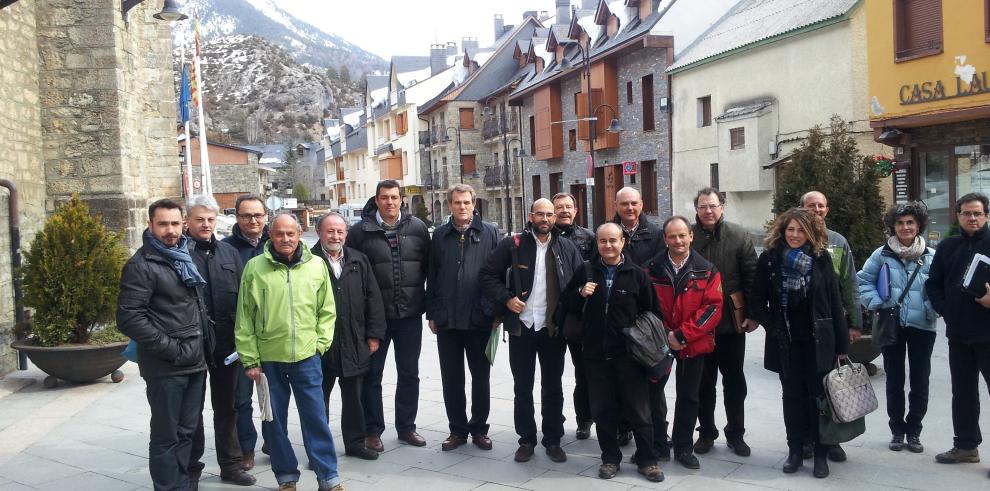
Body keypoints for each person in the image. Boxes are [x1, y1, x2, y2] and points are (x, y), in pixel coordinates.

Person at [235, 213, 343, 491]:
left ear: (300, 233)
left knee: (316, 419)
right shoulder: (254, 268)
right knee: (274, 423)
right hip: (268, 361)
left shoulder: (316, 266)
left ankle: (328, 478)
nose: (285, 239)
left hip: (307, 357)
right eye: (280, 234)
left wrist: (320, 344)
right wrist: (250, 359)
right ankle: (286, 478)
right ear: (271, 235)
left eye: (291, 234)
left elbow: (327, 311)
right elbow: (244, 318)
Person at [479, 198, 584, 464]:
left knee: (553, 387)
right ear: (530, 216)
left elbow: (577, 284)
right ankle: (526, 439)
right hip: (521, 328)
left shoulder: (567, 247)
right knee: (522, 387)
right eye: (541, 214)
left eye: (550, 214)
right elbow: (487, 275)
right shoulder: (512, 245)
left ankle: (553, 440)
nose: (546, 219)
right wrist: (506, 298)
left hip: (552, 329)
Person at [118, 199, 210, 491]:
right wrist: (173, 349)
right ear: (151, 225)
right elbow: (129, 318)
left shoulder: (184, 255)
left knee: (186, 433)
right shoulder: (141, 264)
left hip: (195, 361)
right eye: (163, 224)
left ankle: (183, 485)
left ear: (183, 223)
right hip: (166, 365)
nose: (170, 231)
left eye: (174, 223)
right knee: (166, 436)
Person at [750, 207, 849, 479]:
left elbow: (835, 302)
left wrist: (842, 346)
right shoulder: (770, 259)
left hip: (819, 341)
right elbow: (757, 301)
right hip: (787, 342)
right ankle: (794, 450)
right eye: (790, 229)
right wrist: (773, 328)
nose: (794, 235)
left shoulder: (821, 259)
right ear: (782, 231)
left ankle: (820, 453)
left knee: (818, 399)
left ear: (811, 232)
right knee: (791, 398)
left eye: (800, 230)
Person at [562, 222, 663, 482]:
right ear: (597, 244)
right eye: (603, 241)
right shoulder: (585, 270)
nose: (608, 245)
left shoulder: (637, 274)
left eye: (613, 240)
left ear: (623, 242)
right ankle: (610, 458)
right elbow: (566, 304)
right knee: (603, 409)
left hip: (629, 355)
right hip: (595, 355)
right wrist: (579, 293)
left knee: (640, 410)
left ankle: (647, 459)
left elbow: (651, 312)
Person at [345, 180, 431, 452]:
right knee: (372, 375)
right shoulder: (360, 232)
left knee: (409, 374)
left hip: (409, 315)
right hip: (375, 318)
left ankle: (406, 427)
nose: (390, 202)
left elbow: (429, 269)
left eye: (394, 197)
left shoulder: (417, 228)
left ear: (401, 200)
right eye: (384, 197)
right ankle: (373, 430)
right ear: (377, 200)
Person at [184, 196, 256, 487]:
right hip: (192, 347)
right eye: (199, 219)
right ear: (188, 221)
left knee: (228, 408)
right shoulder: (180, 254)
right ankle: (191, 470)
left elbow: (243, 301)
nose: (205, 224)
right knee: (191, 413)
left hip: (226, 346)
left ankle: (232, 466)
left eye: (210, 219)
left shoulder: (229, 254)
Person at [858, 202, 937, 454]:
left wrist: (930, 308)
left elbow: (940, 288)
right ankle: (896, 430)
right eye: (900, 223)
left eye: (910, 223)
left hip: (922, 326)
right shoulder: (881, 254)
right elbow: (862, 281)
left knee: (920, 380)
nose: (905, 227)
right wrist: (878, 303)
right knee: (894, 380)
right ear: (893, 226)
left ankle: (914, 431)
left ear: (918, 226)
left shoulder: (931, 257)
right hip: (891, 324)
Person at [427, 184, 501, 451]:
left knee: (481, 377)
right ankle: (457, 430)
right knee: (452, 378)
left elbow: (499, 275)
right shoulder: (439, 235)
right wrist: (433, 313)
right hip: (448, 320)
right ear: (449, 205)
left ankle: (479, 429)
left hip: (480, 318)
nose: (462, 207)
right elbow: (432, 276)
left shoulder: (490, 232)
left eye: (466, 202)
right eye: (457, 203)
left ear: (474, 204)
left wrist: (497, 312)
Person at [645, 216, 722, 470]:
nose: (677, 241)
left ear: (691, 236)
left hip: (692, 343)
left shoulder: (707, 270)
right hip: (658, 343)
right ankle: (658, 444)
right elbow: (645, 306)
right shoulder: (650, 269)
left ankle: (683, 446)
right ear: (665, 239)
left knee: (689, 396)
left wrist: (682, 335)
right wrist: (665, 334)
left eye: (682, 235)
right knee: (653, 395)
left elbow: (713, 309)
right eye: (672, 236)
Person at [311, 212, 386, 461]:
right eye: (330, 231)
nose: (335, 236)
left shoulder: (358, 260)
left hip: (354, 341)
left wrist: (374, 335)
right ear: (319, 232)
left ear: (346, 234)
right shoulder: (307, 261)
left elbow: (373, 298)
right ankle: (319, 452)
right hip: (320, 344)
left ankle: (355, 443)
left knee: (354, 398)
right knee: (318, 400)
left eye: (340, 231)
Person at [925, 193, 990, 473]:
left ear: (986, 215)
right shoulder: (948, 246)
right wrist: (946, 311)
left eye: (977, 213)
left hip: (988, 335)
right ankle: (966, 447)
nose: (972, 218)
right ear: (958, 216)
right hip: (959, 334)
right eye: (966, 213)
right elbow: (933, 284)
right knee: (962, 393)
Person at [690, 188, 758, 457]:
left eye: (713, 205)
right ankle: (706, 432)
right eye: (703, 206)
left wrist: (753, 315)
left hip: (731, 321)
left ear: (722, 207)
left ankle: (736, 433)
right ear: (696, 209)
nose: (708, 211)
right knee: (703, 382)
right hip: (698, 324)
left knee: (734, 381)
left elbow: (751, 275)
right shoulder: (689, 235)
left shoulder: (738, 235)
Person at [800, 190, 861, 463]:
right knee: (803, 388)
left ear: (827, 209)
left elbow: (849, 283)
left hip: (830, 324)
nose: (817, 209)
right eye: (811, 205)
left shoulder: (838, 242)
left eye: (821, 205)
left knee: (831, 385)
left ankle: (833, 440)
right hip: (803, 327)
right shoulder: (793, 239)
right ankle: (805, 439)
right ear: (801, 208)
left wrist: (855, 323)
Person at [222, 193, 270, 468]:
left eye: (257, 215)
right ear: (237, 217)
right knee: (241, 399)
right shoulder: (226, 249)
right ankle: (246, 448)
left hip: (272, 334)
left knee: (272, 396)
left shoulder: (276, 244)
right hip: (238, 336)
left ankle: (272, 441)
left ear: (265, 216)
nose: (252, 220)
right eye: (246, 215)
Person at [552, 192, 595, 440]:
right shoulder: (546, 237)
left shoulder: (589, 239)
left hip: (579, 315)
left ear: (576, 211)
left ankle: (585, 419)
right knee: (553, 372)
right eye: (559, 207)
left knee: (584, 371)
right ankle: (555, 419)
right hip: (553, 314)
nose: (564, 211)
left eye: (569, 207)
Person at [612, 187, 663, 266]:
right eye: (624, 204)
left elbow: (660, 265)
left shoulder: (656, 234)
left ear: (641, 205)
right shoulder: (606, 234)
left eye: (634, 203)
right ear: (616, 205)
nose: (630, 208)